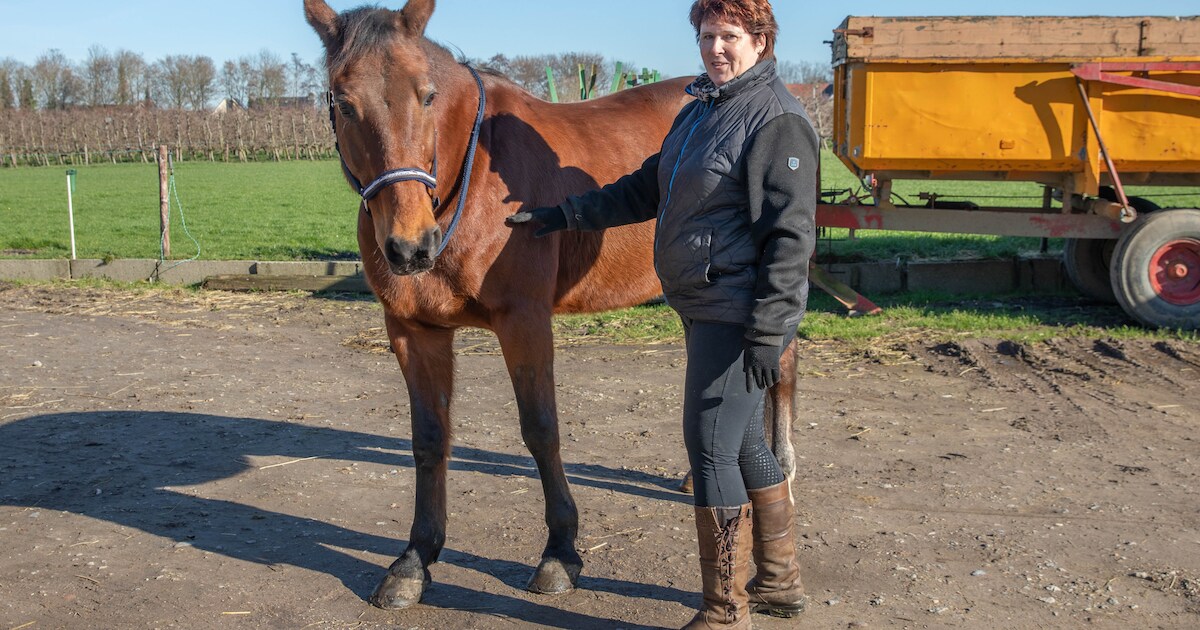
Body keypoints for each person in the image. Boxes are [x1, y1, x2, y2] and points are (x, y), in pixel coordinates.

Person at [507, 0, 817, 627]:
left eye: (730, 36)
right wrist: (563, 216)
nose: (716, 48)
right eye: (707, 36)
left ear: (760, 40)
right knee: (744, 440)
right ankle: (779, 581)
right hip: (705, 299)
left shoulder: (776, 120)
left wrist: (768, 330)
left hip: (737, 312)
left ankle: (724, 610)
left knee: (709, 451)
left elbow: (792, 238)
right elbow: (648, 187)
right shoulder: (705, 110)